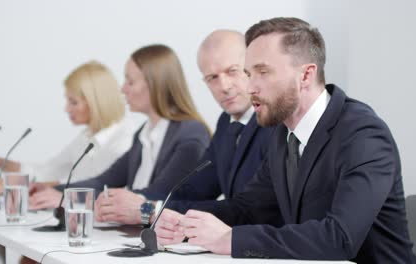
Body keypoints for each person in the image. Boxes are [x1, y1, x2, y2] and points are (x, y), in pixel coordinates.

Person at [155, 17, 416, 263]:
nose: (249, 87)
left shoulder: (363, 134)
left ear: (305, 75)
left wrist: (229, 239)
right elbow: (248, 208)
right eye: (248, 73)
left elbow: (340, 238)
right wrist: (185, 222)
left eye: (263, 72)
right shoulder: (284, 133)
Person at [92, 30, 277, 225]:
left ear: (250, 68)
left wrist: (149, 210)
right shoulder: (226, 123)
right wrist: (139, 203)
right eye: (212, 78)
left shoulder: (273, 123)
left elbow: (245, 209)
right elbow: (195, 190)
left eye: (232, 71)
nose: (224, 86)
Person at [29, 44, 211, 213]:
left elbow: (159, 194)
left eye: (130, 82)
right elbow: (105, 181)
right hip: (133, 235)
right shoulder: (144, 133)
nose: (123, 89)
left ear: (155, 85)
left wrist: (70, 198)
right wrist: (55, 191)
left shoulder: (190, 134)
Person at [0, 61, 134, 194]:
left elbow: (93, 187)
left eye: (73, 102)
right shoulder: (86, 136)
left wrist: (19, 185)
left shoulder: (124, 141)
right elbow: (48, 171)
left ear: (96, 102)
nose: (66, 109)